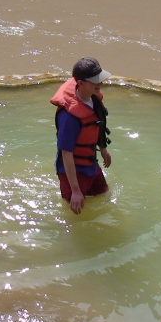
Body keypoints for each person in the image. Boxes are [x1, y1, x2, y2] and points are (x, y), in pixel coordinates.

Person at [51, 57, 113, 214]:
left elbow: (98, 124)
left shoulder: (94, 99)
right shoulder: (69, 117)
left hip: (90, 165)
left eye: (99, 78)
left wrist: (103, 148)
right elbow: (66, 153)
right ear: (80, 83)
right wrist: (76, 191)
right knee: (74, 213)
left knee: (103, 194)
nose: (100, 83)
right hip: (73, 173)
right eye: (94, 81)